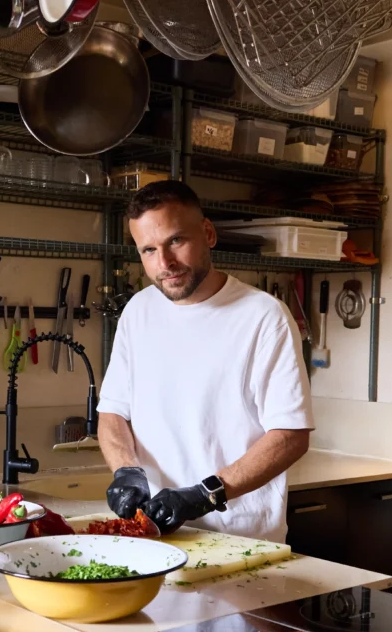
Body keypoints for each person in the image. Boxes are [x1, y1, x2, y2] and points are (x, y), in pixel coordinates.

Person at [97, 180, 314, 542]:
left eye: (176, 241)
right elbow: (113, 413)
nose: (164, 263)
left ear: (208, 234)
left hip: (241, 540)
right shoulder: (138, 311)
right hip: (156, 536)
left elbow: (291, 435)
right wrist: (125, 472)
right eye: (148, 250)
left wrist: (206, 493)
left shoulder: (264, 316)